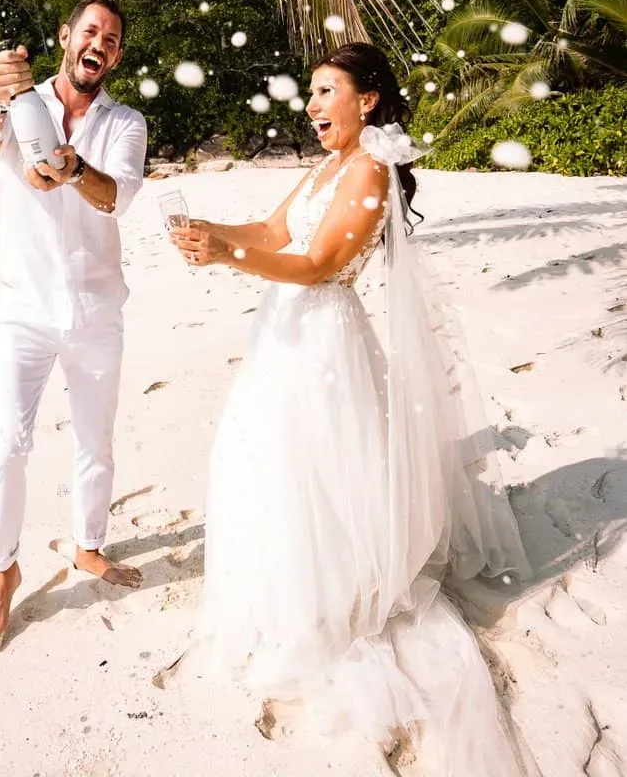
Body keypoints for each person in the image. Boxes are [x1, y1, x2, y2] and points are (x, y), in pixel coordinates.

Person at [169, 43, 534, 775]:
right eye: (308, 92)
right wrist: (210, 231)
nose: (310, 105)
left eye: (324, 91)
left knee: (318, 472)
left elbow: (322, 264)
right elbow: (276, 235)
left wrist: (225, 257)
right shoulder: (327, 167)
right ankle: (282, 597)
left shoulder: (368, 170)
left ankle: (329, 609)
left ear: (365, 101)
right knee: (268, 464)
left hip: (324, 347)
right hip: (282, 332)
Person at [0, 0, 147, 650]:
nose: (101, 43)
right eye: (90, 31)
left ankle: (88, 546)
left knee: (96, 443)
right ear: (65, 36)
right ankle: (3, 568)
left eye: (113, 39)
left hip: (97, 309)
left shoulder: (126, 122)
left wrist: (68, 168)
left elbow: (113, 198)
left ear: (116, 55)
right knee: (7, 443)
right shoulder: (19, 101)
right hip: (23, 309)